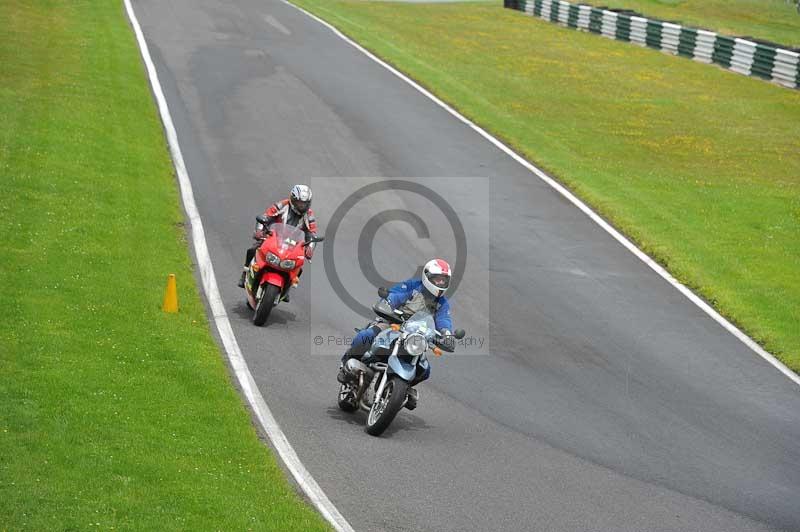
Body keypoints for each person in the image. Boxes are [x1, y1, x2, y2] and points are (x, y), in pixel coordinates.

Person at [337, 259, 455, 390]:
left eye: (444, 280)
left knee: (425, 370)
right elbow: (395, 295)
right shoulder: (412, 286)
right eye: (438, 279)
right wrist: (388, 303)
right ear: (427, 276)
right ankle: (345, 364)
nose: (441, 283)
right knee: (366, 336)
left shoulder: (442, 303)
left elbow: (444, 319)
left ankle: (404, 388)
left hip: (416, 337)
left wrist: (446, 334)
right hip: (394, 324)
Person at [238, 184, 318, 300]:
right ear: (293, 199)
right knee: (253, 249)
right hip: (273, 236)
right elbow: (265, 216)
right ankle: (245, 273)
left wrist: (310, 248)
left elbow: (312, 234)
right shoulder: (282, 204)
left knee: (299, 265)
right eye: (299, 202)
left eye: (304, 203)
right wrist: (259, 232)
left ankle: (288, 287)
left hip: (293, 244)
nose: (302, 206)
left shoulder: (309, 215)